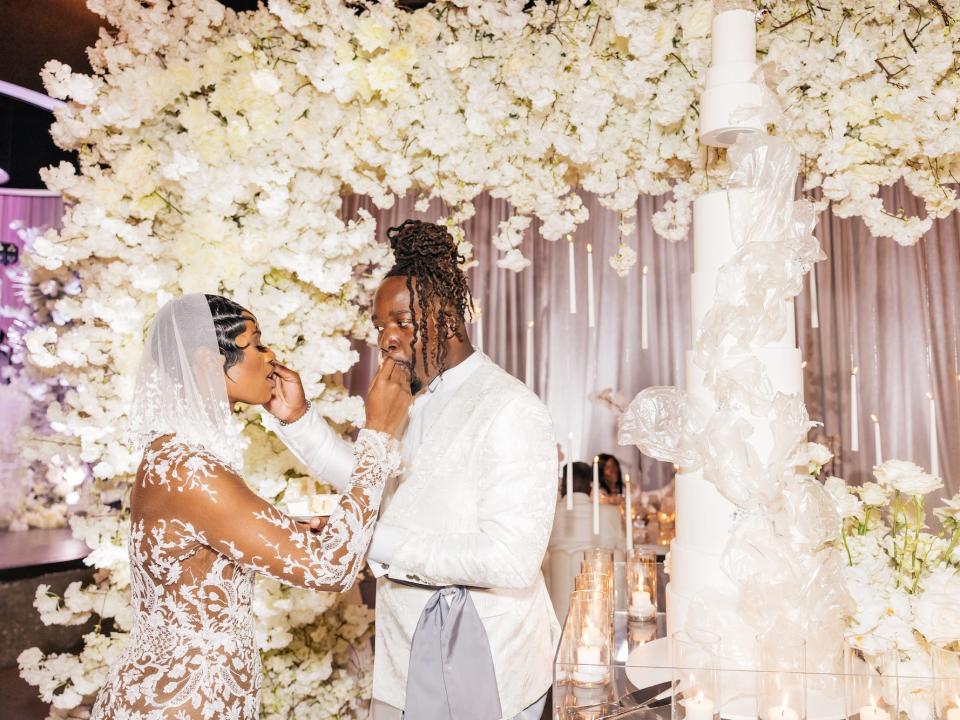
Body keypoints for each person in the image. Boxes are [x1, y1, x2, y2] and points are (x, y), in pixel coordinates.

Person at [269, 220, 560, 720]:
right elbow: (369, 475)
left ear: (447, 319)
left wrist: (365, 537)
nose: (388, 339)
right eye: (381, 326)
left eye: (402, 321)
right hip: (404, 655)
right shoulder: (415, 398)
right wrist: (297, 420)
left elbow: (511, 559)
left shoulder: (509, 406)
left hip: (487, 658)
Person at [91, 294, 411, 720]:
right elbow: (330, 569)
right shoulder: (192, 471)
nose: (270, 355)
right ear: (208, 363)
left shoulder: (173, 453)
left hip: (184, 693)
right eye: (256, 344)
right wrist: (377, 433)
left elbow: (204, 550)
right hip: (182, 705)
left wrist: (290, 524)